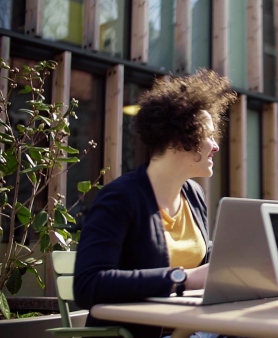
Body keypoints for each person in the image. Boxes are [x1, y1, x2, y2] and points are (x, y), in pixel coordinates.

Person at [74, 69, 237, 338]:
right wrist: (183, 278)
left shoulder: (194, 195)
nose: (215, 146)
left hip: (194, 329)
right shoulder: (120, 198)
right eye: (208, 135)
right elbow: (89, 285)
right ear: (180, 140)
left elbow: (204, 270)